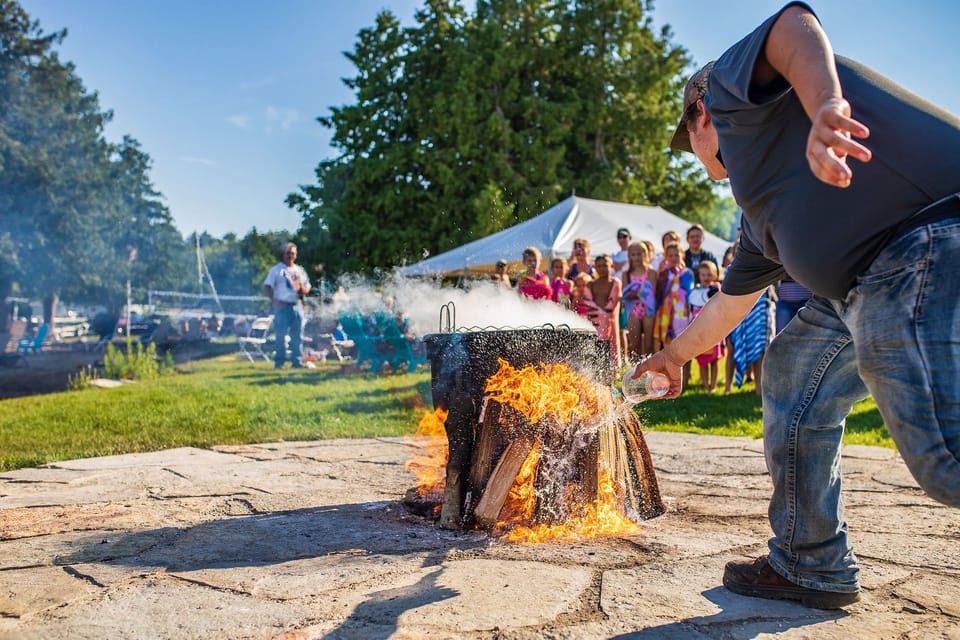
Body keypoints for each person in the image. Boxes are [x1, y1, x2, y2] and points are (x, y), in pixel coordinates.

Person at [636, 2, 960, 609]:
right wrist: (673, 356)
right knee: (791, 372)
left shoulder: (732, 95)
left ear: (700, 114)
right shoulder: (761, 219)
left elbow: (791, 25)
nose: (705, 171)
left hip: (926, 246)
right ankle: (811, 563)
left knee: (947, 457)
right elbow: (732, 304)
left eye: (694, 149)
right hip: (862, 288)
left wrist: (826, 106)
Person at [263, 242, 311, 369]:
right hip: (282, 306)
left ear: (296, 255)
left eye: (293, 253)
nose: (290, 256)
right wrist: (274, 301)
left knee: (297, 336)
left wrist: (303, 290)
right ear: (283, 254)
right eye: (288, 253)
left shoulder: (299, 270)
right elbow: (267, 286)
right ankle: (279, 363)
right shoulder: (277, 270)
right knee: (280, 336)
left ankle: (297, 362)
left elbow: (307, 287)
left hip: (297, 305)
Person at [688, 260, 724, 392]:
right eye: (703, 275)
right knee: (702, 359)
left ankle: (713, 386)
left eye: (709, 275)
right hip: (700, 331)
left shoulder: (717, 288)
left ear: (714, 275)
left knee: (714, 359)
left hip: (715, 328)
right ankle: (705, 386)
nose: (706, 278)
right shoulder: (696, 291)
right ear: (699, 275)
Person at [652, 241, 693, 353]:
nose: (673, 258)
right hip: (666, 311)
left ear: (682, 255)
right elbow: (659, 293)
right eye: (670, 255)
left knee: (682, 341)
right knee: (667, 341)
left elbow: (689, 292)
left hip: (680, 312)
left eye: (676, 255)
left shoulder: (687, 273)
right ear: (666, 257)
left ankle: (684, 370)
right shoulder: (663, 273)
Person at [622, 241, 657, 362]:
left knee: (648, 344)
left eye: (639, 254)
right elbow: (625, 294)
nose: (636, 257)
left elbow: (651, 292)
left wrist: (636, 293)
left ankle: (649, 371)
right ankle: (634, 372)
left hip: (648, 310)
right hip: (633, 310)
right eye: (633, 254)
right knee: (634, 343)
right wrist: (639, 292)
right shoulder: (626, 274)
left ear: (645, 254)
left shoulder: (651, 272)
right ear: (630, 256)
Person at [585, 255, 622, 368]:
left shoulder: (615, 283)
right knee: (596, 344)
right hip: (595, 322)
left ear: (611, 266)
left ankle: (612, 371)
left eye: (604, 265)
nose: (601, 268)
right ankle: (596, 369)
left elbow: (614, 299)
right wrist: (599, 313)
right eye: (598, 266)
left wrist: (604, 313)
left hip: (610, 320)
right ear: (595, 267)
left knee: (611, 344)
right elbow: (588, 301)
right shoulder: (591, 284)